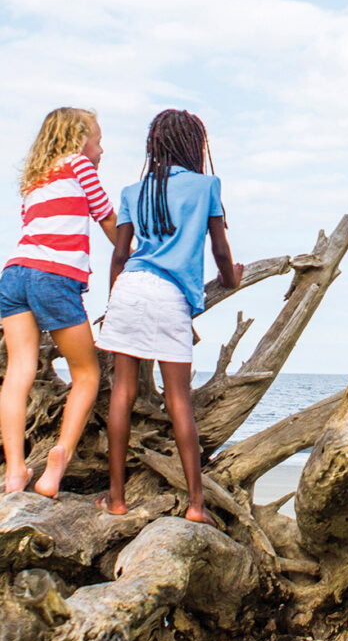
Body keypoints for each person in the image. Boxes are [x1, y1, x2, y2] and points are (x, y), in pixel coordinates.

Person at [97, 108, 241, 521]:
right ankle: (196, 505)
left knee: (121, 393)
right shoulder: (206, 186)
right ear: (193, 145)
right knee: (178, 398)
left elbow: (120, 255)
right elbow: (219, 249)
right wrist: (231, 279)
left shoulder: (132, 191)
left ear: (154, 146)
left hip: (129, 290)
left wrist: (112, 305)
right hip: (170, 295)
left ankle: (117, 499)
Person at [0, 107, 116, 498]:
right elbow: (108, 220)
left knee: (18, 372)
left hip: (15, 273)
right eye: (97, 140)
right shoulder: (81, 166)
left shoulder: (34, 180)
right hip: (54, 276)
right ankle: (58, 460)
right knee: (86, 373)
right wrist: (133, 259)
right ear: (79, 139)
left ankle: (14, 470)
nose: (101, 149)